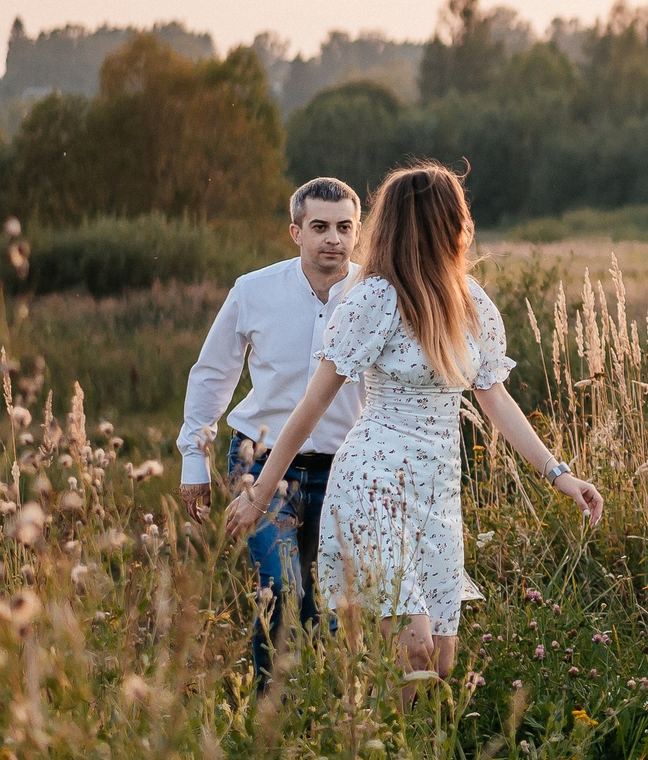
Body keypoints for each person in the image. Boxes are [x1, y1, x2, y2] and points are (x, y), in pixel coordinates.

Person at [223, 163, 602, 685]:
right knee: (414, 650)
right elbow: (308, 409)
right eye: (454, 215)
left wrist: (560, 474)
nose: (461, 226)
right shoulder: (374, 299)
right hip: (374, 485)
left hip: (438, 490)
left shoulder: (470, 302)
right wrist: (261, 493)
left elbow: (496, 399)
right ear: (434, 222)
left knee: (442, 662)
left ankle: (409, 758)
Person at [179, 176, 365, 690]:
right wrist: (194, 463)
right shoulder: (253, 291)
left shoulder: (375, 297)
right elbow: (213, 376)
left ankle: (324, 714)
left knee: (330, 602)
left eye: (344, 228)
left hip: (343, 469)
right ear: (295, 232)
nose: (333, 239)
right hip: (259, 464)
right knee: (281, 588)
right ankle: (269, 714)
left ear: (358, 232)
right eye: (320, 227)